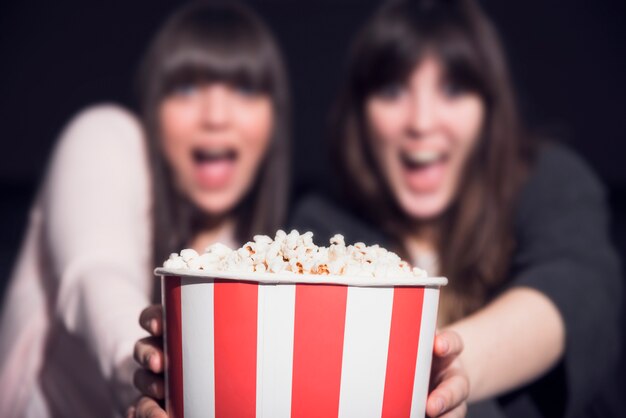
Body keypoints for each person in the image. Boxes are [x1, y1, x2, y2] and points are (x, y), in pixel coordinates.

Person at [293, 0, 621, 416]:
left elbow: (577, 289)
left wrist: (443, 370)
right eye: (393, 90)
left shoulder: (549, 180)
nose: (422, 121)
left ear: (488, 107)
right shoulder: (321, 223)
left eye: (452, 89)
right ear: (360, 112)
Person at [0, 2, 290, 417]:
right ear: (153, 106)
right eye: (186, 89)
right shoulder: (106, 138)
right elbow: (96, 276)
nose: (216, 116)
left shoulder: (258, 253)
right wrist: (149, 373)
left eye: (244, 89)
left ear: (275, 119)